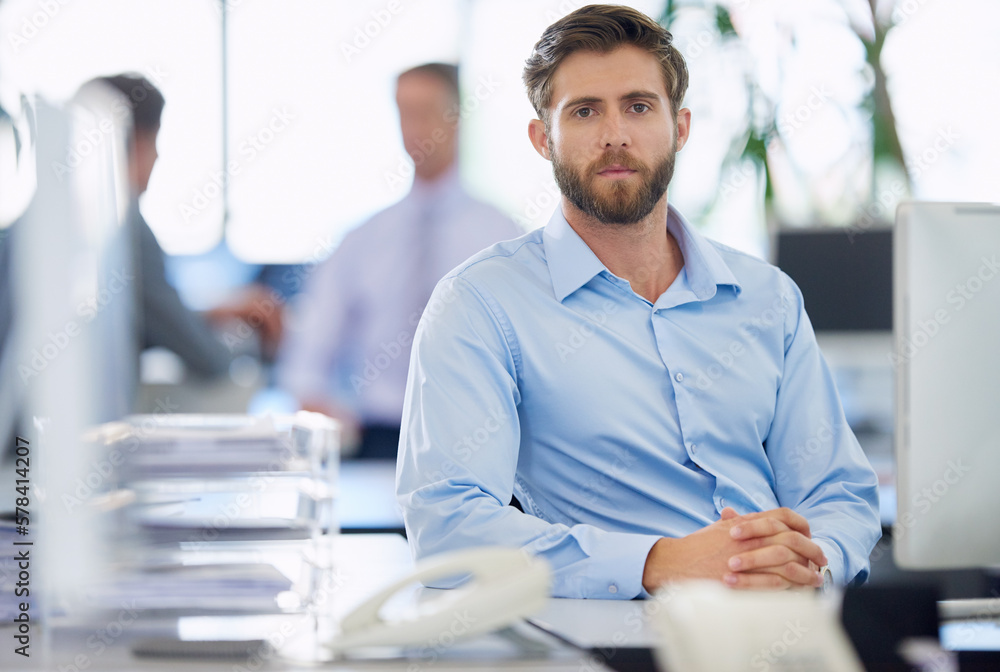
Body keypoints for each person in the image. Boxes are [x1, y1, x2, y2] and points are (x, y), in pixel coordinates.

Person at [396, 5, 881, 599]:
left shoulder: (768, 298)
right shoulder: (480, 304)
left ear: (679, 128)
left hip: (788, 624)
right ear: (542, 140)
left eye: (639, 106)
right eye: (584, 111)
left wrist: (811, 562)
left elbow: (839, 492)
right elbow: (448, 527)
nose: (615, 134)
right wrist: (659, 563)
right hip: (620, 635)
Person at [277, 63, 521, 459]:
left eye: (425, 111)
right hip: (379, 437)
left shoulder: (503, 235)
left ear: (455, 118)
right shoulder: (364, 237)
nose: (413, 128)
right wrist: (311, 396)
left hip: (476, 441)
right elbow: (314, 339)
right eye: (404, 113)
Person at [86, 75, 282, 384]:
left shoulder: (65, 225)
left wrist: (209, 314)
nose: (158, 156)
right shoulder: (127, 228)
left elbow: (151, 319)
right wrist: (252, 347)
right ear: (135, 142)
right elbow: (208, 358)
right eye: (155, 140)